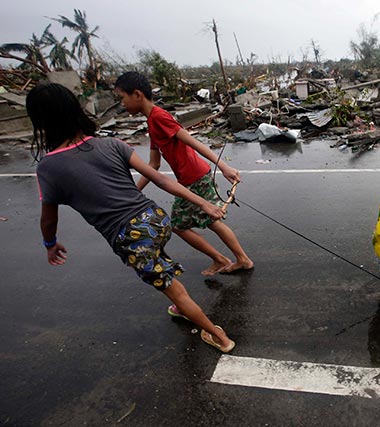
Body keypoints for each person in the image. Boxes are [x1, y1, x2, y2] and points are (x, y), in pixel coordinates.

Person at [27, 82, 235, 353]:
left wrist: (49, 244)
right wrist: (204, 204)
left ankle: (218, 336)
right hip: (156, 219)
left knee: (174, 289)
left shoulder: (49, 167)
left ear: (41, 122)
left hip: (131, 238)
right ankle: (185, 301)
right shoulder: (112, 144)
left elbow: (48, 220)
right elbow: (159, 178)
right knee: (157, 258)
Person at [114, 72, 253, 279]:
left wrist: (224, 166)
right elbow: (153, 164)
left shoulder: (159, 117)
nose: (122, 104)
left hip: (195, 177)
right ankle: (237, 259)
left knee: (180, 225)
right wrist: (134, 191)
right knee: (210, 221)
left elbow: (191, 141)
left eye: (122, 97)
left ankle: (226, 259)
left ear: (137, 94)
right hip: (191, 178)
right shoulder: (152, 122)